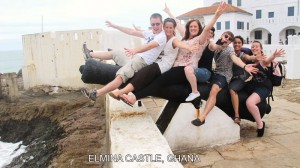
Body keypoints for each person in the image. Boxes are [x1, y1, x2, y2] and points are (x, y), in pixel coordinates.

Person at [119, 2, 228, 106]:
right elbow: (176, 23)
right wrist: (169, 12)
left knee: (159, 82)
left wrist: (217, 15)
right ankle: (133, 94)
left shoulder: (200, 40)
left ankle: (134, 97)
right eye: (191, 26)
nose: (193, 28)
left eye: (195, 26)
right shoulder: (184, 37)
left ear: (199, 28)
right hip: (175, 67)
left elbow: (207, 29)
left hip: (185, 68)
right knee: (156, 79)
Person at [81, 13, 167, 101]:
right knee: (115, 53)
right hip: (136, 57)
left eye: (157, 24)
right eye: (153, 24)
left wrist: (135, 50)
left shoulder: (162, 37)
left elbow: (149, 46)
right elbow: (131, 31)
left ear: (162, 23)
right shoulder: (150, 32)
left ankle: (95, 94)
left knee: (120, 76)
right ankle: (90, 55)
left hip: (142, 62)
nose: (155, 26)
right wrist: (115, 26)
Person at [108, 18, 198, 101]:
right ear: (163, 27)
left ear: (174, 28)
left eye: (171, 28)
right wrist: (115, 26)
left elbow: (180, 44)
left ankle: (121, 92)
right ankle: (127, 91)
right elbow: (134, 32)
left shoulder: (174, 40)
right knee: (140, 72)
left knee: (144, 73)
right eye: (166, 27)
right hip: (157, 61)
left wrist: (189, 47)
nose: (168, 30)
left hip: (164, 64)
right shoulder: (161, 36)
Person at [190, 31, 258, 126]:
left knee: (214, 90)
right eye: (225, 36)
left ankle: (203, 117)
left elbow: (235, 58)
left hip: (224, 75)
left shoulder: (229, 50)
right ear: (221, 36)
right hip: (215, 72)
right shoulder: (215, 46)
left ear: (230, 42)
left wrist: (245, 66)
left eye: (229, 39)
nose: (227, 39)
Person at [244, 41, 285, 137]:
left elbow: (267, 61)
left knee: (250, 103)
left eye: (256, 47)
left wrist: (274, 56)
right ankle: (265, 107)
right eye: (252, 47)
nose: (254, 48)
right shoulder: (253, 59)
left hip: (264, 87)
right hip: (254, 84)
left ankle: (260, 124)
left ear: (261, 49)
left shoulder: (265, 59)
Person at [229, 36, 264, 125]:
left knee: (232, 90)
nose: (237, 44)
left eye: (239, 43)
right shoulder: (229, 53)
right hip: (229, 77)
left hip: (239, 78)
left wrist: (256, 57)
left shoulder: (242, 55)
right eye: (235, 42)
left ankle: (237, 115)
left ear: (242, 44)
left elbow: (248, 58)